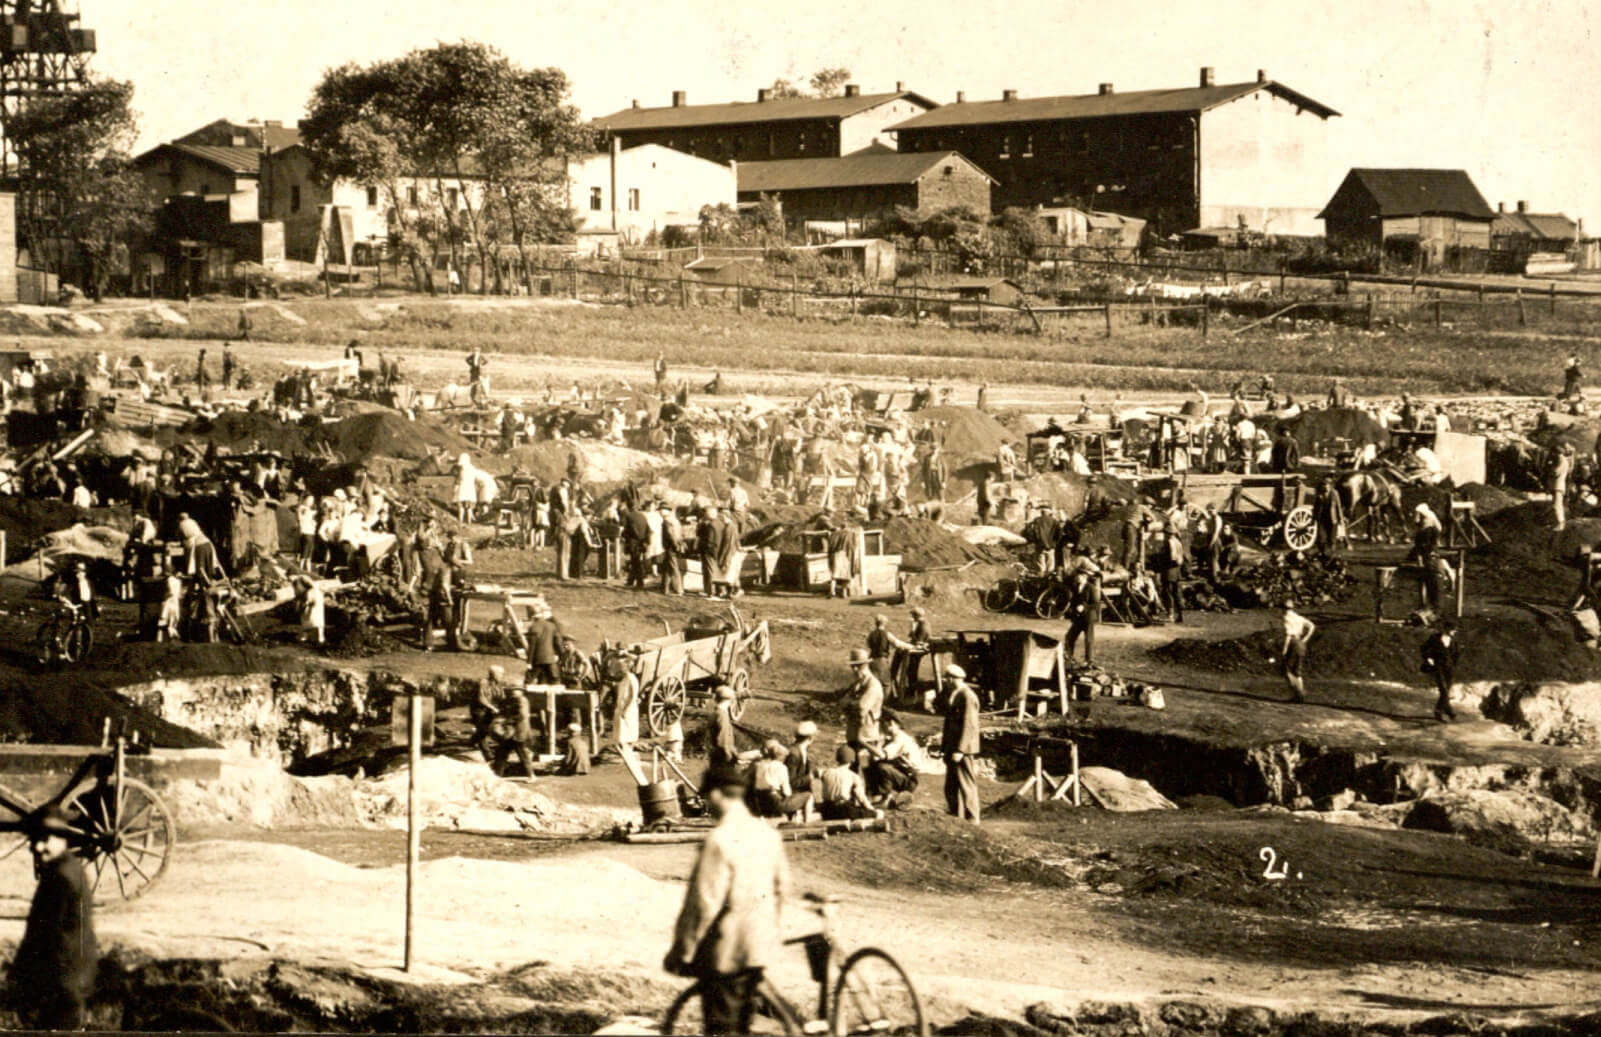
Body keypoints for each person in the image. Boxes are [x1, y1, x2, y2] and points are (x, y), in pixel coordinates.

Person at [665, 761, 790, 1037]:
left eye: (708, 796)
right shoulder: (768, 835)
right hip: (759, 945)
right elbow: (783, 888)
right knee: (743, 1023)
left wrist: (682, 950)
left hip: (727, 952)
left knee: (722, 1027)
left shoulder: (719, 840)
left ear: (717, 794)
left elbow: (704, 902)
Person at [10, 806, 96, 1031]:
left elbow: (46, 937)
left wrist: (24, 982)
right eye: (33, 840)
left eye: (45, 839)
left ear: (62, 839)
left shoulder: (61, 879)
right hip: (70, 982)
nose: (37, 847)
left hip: (59, 985)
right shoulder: (70, 869)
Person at [941, 664, 982, 823]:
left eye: (947, 678)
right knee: (951, 785)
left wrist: (960, 749)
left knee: (966, 783)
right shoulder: (956, 694)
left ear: (952, 679)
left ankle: (972, 818)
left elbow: (969, 724)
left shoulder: (967, 696)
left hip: (962, 748)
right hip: (953, 747)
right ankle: (955, 817)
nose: (945, 681)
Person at [605, 655, 647, 785]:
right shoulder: (624, 679)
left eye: (622, 666)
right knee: (619, 731)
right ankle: (622, 751)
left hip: (628, 708)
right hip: (621, 707)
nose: (620, 668)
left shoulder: (632, 678)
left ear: (627, 667)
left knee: (626, 732)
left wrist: (625, 710)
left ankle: (627, 752)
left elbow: (632, 696)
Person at [864, 711, 920, 803]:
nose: (880, 727)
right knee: (872, 765)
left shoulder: (900, 739)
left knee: (882, 767)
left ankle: (885, 797)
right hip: (900, 773)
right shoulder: (891, 737)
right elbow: (875, 758)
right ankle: (876, 794)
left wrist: (864, 742)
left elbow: (882, 755)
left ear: (891, 723)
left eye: (882, 724)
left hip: (909, 779)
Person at [817, 745, 879, 821]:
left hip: (826, 811)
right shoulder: (852, 775)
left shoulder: (826, 772)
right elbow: (861, 797)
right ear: (852, 761)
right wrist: (872, 811)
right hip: (843, 810)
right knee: (876, 813)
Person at [750, 740, 809, 820]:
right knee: (808, 796)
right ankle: (806, 822)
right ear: (781, 757)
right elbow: (787, 791)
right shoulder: (781, 767)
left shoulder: (759, 765)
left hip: (761, 802)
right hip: (775, 801)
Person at [843, 648, 884, 761]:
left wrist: (850, 704)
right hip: (854, 735)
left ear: (866, 665)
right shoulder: (857, 684)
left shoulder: (873, 685)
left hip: (866, 738)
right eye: (853, 666)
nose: (855, 669)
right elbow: (842, 703)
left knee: (865, 770)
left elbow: (862, 707)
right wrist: (852, 704)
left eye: (859, 666)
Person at [1064, 555, 1103, 664]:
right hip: (1078, 617)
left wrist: (1084, 607)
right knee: (1069, 636)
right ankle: (1068, 656)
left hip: (1088, 617)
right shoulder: (1076, 587)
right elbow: (1073, 601)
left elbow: (1096, 604)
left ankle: (1089, 660)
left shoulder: (1091, 588)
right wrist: (1072, 611)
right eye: (1077, 575)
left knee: (1089, 639)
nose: (1078, 577)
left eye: (1080, 576)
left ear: (1085, 577)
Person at [1420, 620, 1461, 723]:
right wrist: (1428, 658)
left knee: (1446, 689)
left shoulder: (1453, 641)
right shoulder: (1435, 638)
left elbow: (1456, 653)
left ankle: (1447, 709)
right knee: (1443, 690)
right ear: (1447, 630)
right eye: (1452, 630)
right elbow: (1424, 648)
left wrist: (1453, 664)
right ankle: (1439, 712)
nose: (1454, 632)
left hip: (1449, 668)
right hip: (1438, 667)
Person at [1280, 601, 1316, 703]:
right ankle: (1300, 694)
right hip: (1301, 643)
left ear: (1283, 608)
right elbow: (1312, 626)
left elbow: (1288, 635)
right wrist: (1305, 639)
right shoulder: (1298, 617)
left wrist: (1285, 648)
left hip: (1293, 643)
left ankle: (1298, 693)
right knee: (1297, 671)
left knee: (1286, 670)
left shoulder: (1286, 618)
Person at [526, 604, 563, 684]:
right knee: (555, 680)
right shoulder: (552, 626)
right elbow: (558, 642)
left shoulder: (533, 627)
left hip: (537, 660)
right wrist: (560, 654)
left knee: (529, 680)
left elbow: (532, 646)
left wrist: (529, 662)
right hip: (550, 659)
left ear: (533, 617)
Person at [1550, 442, 1574, 531]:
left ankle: (1561, 523)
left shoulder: (1562, 461)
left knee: (1557, 505)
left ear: (1557, 452)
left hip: (1558, 485)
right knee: (1556, 504)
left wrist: (1551, 468)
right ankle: (1557, 522)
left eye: (1553, 453)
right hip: (1557, 485)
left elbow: (1556, 472)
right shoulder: (1562, 460)